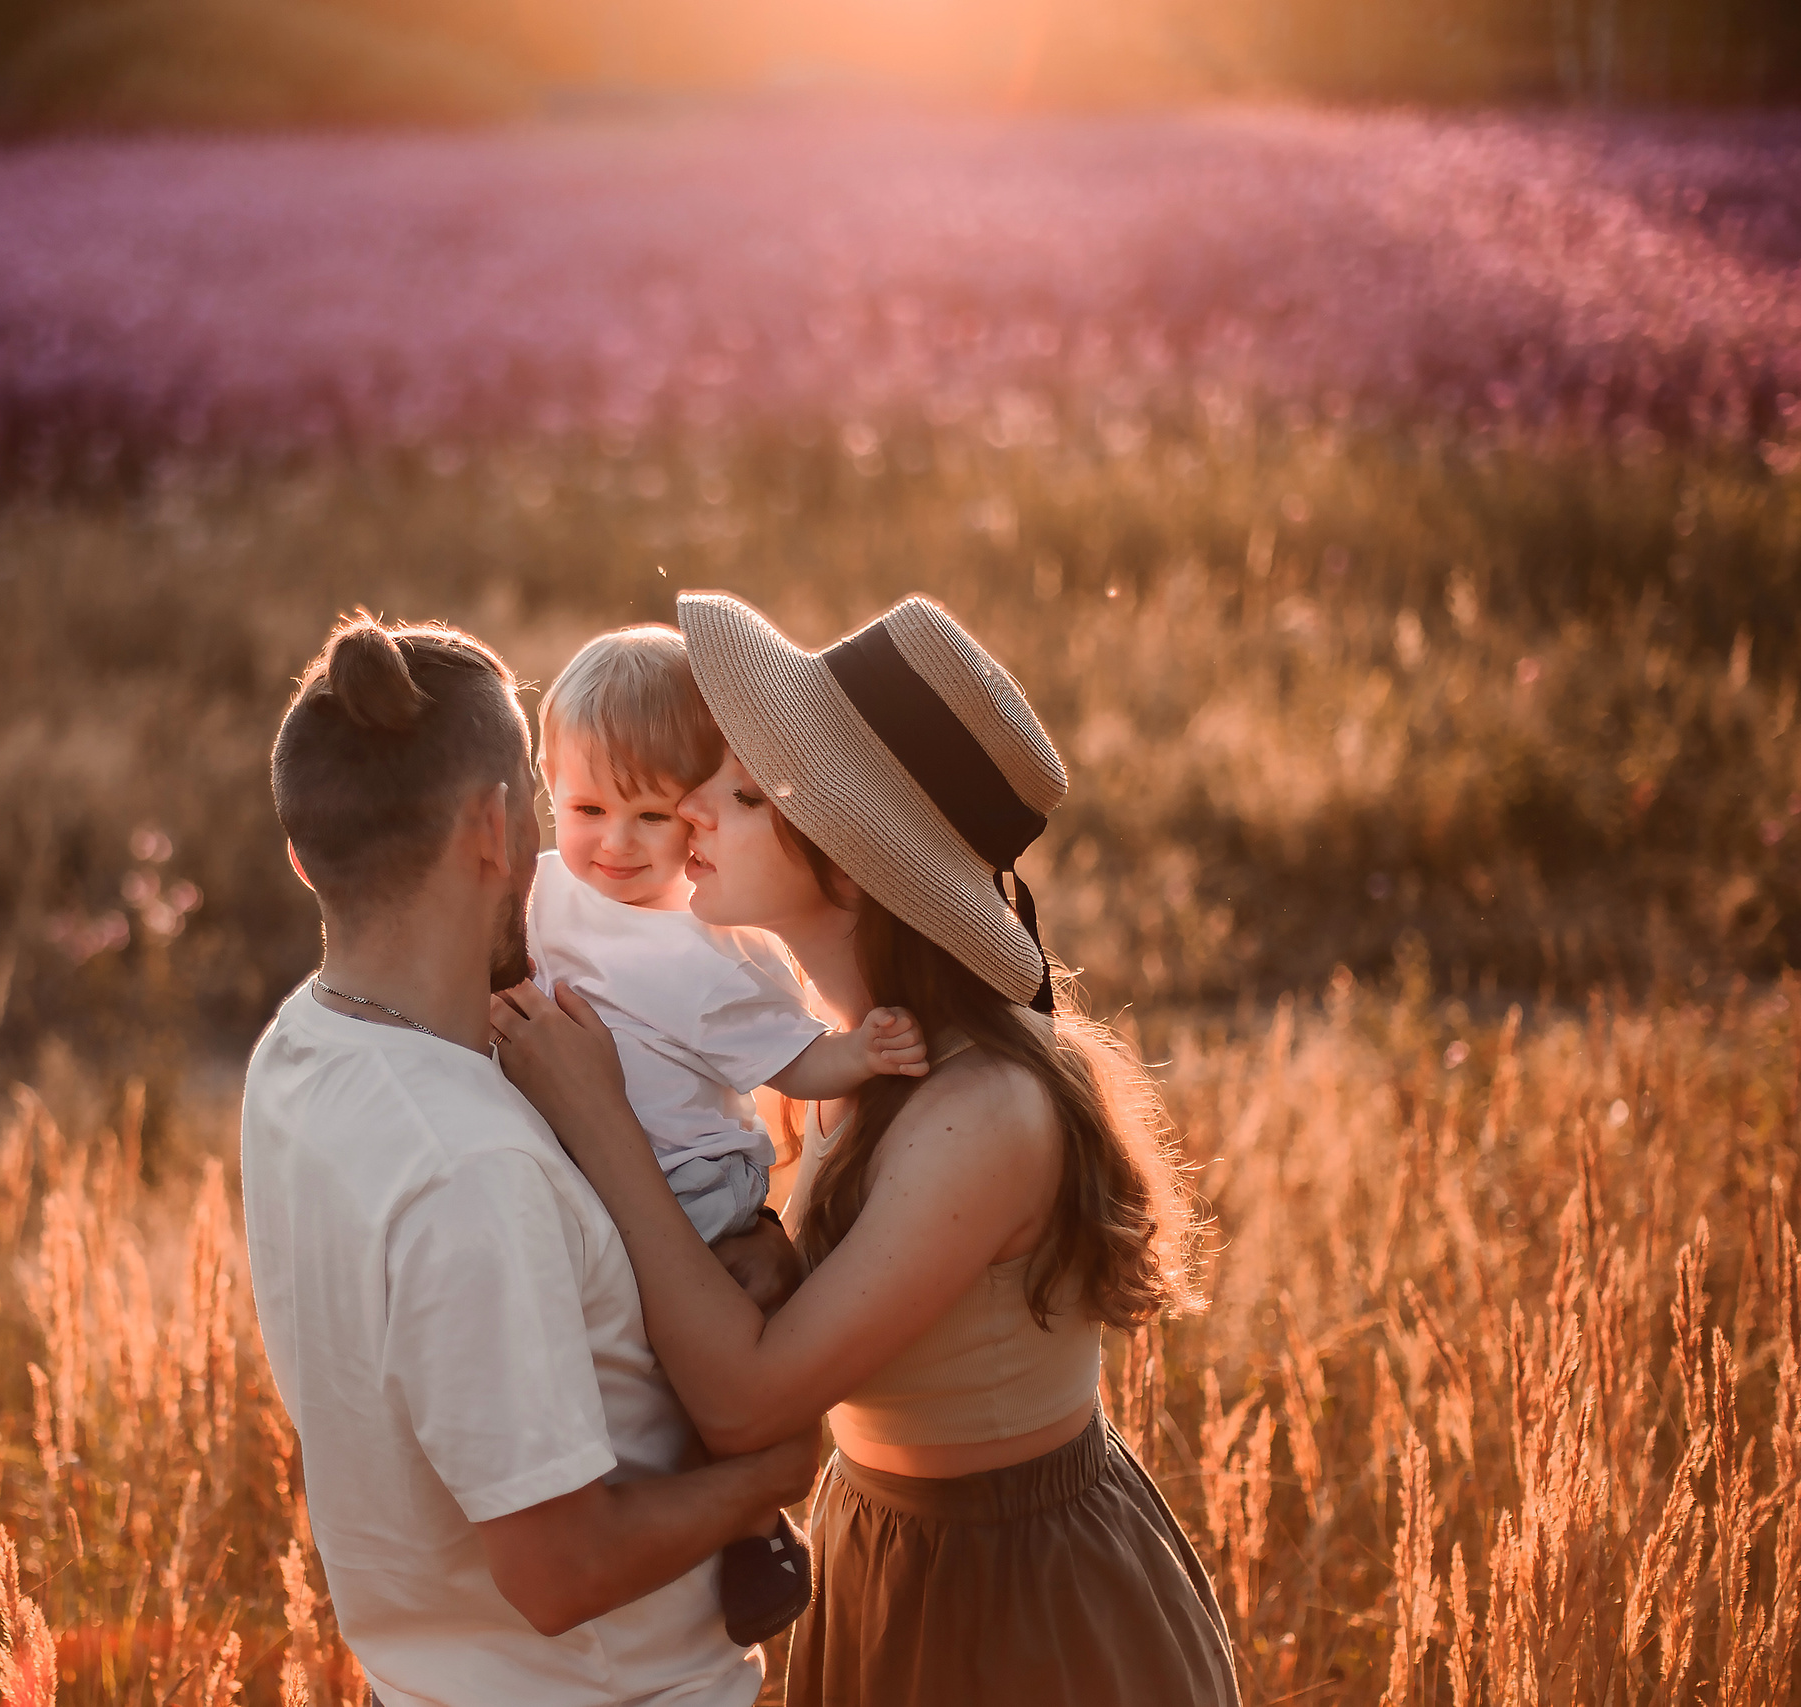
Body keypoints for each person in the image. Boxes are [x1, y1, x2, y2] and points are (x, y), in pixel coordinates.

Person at [492, 593, 1239, 1707]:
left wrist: (600, 1125)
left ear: (846, 868)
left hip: (1018, 1601)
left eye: (743, 794)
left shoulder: (979, 1112)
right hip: (886, 1551)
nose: (692, 805)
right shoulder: (832, 1054)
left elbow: (750, 1405)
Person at [239, 611, 818, 1707]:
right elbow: (560, 1569)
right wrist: (769, 1476)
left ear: (302, 852)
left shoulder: (297, 1056)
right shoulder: (474, 1168)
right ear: (498, 830)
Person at [527, 623, 932, 1641]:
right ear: (547, 787)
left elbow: (790, 1058)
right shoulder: (539, 890)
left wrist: (862, 1053)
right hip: (574, 1173)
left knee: (716, 1351)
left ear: (696, 816)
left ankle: (752, 1521)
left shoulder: (710, 952)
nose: (612, 845)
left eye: (649, 817)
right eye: (585, 810)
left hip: (695, 1188)